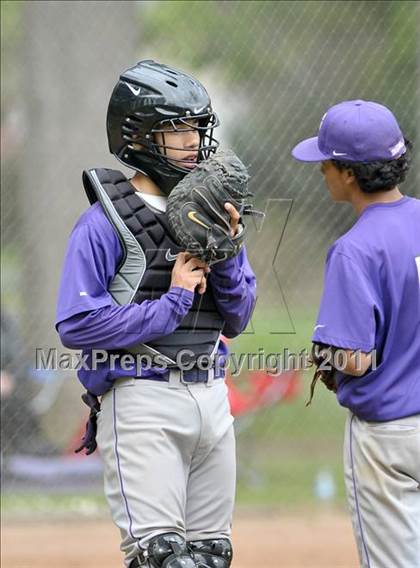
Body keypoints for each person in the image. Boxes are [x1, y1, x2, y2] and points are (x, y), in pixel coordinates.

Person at [55, 60, 256, 568]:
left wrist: (227, 251)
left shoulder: (213, 208)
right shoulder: (104, 222)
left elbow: (238, 318)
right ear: (140, 137)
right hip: (142, 398)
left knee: (211, 555)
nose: (195, 142)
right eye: (179, 130)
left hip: (212, 396)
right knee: (164, 558)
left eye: (198, 128)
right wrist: (171, 303)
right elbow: (76, 324)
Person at [292, 100, 420, 568]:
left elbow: (355, 360)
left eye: (325, 161)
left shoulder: (355, 249)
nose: (321, 169)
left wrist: (324, 355)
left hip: (389, 439)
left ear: (348, 173)